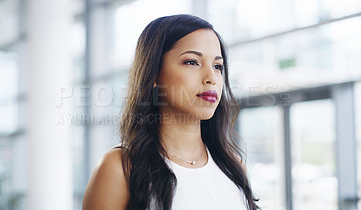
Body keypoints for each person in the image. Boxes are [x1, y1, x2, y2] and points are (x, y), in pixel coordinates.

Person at [82, 14, 259, 210]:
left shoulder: (233, 166)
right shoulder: (120, 168)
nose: (212, 78)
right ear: (154, 72)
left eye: (217, 66)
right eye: (192, 62)